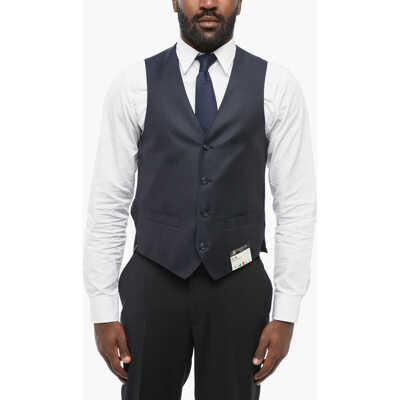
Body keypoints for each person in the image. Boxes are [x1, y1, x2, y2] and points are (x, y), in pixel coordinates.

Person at [84, 1, 316, 399]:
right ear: (174, 1)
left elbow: (296, 203)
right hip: (153, 280)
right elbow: (109, 200)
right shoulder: (133, 84)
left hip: (238, 280)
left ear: (239, 2)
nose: (208, 3)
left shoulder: (276, 85)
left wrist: (287, 311)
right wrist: (102, 308)